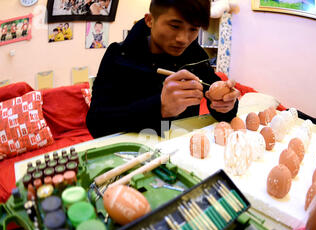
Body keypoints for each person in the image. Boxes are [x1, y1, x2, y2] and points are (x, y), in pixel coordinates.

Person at [86, 0, 239, 138]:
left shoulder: (195, 56)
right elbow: (96, 124)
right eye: (175, 26)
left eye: (193, 29)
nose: (183, 39)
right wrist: (159, 107)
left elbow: (219, 103)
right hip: (134, 155)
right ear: (150, 20)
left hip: (184, 152)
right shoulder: (119, 56)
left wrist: (226, 105)